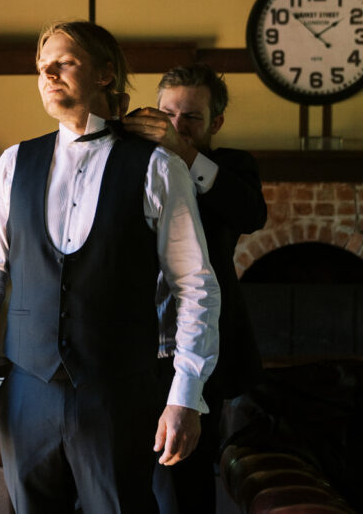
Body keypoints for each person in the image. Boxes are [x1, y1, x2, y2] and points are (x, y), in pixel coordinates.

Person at [0, 21, 221, 513]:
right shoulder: (13, 164)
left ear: (104, 75)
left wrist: (186, 395)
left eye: (64, 63)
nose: (48, 75)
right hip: (26, 394)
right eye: (41, 68)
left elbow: (196, 288)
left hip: (120, 395)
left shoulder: (159, 167)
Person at [123, 63, 267, 513]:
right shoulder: (132, 163)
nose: (177, 125)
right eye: (168, 114)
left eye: (192, 118)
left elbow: (251, 216)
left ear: (216, 123)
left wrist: (180, 150)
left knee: (189, 481)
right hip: (136, 346)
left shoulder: (232, 167)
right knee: (130, 476)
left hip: (201, 346)